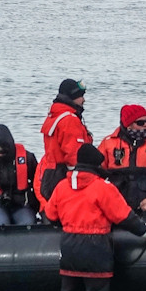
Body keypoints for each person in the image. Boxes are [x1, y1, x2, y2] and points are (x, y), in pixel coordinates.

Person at [40, 143, 146, 291]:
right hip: (96, 249)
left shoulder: (61, 187)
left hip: (69, 249)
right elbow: (125, 217)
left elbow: (51, 216)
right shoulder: (103, 188)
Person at [99, 104, 146, 214]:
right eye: (140, 123)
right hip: (117, 204)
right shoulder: (108, 143)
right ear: (128, 124)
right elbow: (96, 173)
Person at [35, 78, 93, 209]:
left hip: (50, 175)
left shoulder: (55, 116)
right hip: (63, 177)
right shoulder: (69, 120)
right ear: (72, 97)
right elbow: (74, 156)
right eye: (81, 96)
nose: (84, 100)